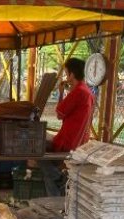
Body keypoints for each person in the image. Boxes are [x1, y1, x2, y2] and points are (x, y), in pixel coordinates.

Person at [38, 58, 95, 196]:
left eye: (66, 73)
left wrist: (61, 93)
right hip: (80, 141)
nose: (66, 76)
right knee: (47, 170)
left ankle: (58, 179)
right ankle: (57, 195)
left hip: (68, 142)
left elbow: (59, 113)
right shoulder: (88, 92)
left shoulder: (78, 92)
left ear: (72, 75)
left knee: (38, 153)